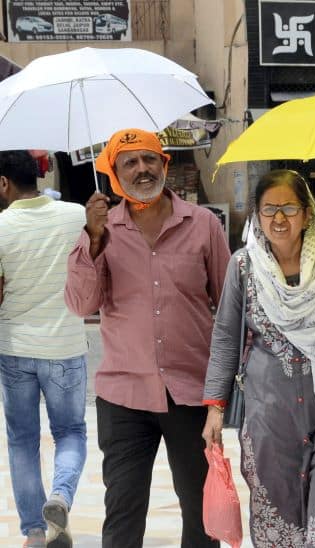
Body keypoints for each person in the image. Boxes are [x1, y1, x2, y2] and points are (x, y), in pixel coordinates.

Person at [201, 169, 315, 547]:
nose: (279, 219)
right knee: (278, 532)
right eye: (269, 209)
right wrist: (215, 408)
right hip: (270, 419)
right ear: (257, 216)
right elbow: (225, 337)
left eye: (289, 207)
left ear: (307, 213)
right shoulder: (243, 266)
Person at [64, 129, 230, 548]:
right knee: (122, 512)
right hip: (124, 395)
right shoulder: (98, 232)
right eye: (130, 162)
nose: (142, 169)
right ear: (115, 175)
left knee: (201, 511)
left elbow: (230, 306)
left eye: (149, 159)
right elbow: (82, 304)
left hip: (193, 392)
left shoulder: (204, 225)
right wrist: (94, 240)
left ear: (165, 165)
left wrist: (226, 390)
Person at [0, 150, 88, 548]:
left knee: (22, 439)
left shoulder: (1, 226)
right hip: (65, 346)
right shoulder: (75, 215)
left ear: (4, 183)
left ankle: (35, 533)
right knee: (70, 432)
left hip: (14, 346)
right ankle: (61, 496)